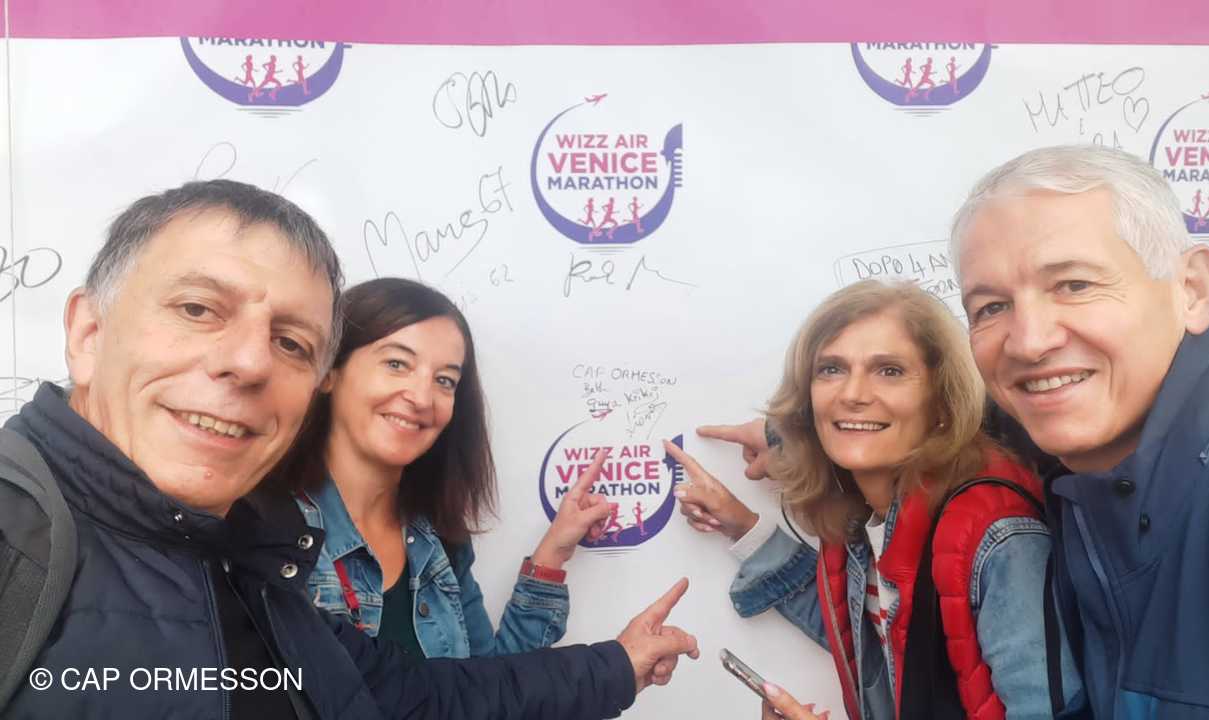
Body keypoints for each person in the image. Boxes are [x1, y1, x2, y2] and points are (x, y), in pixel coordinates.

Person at [0, 180, 698, 719]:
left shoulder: (258, 556)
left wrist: (587, 620)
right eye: (198, 309)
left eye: (289, 342)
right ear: (89, 333)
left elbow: (437, 694)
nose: (248, 362)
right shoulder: (26, 533)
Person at [952, 144, 1209, 718]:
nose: (1028, 342)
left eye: (1074, 285)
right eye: (992, 307)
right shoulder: (1068, 482)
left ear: (1192, 289)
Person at [668, 280, 1075, 719]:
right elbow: (869, 634)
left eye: (890, 371)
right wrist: (743, 527)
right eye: (831, 369)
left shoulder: (1000, 540)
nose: (853, 394)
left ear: (941, 402)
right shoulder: (865, 519)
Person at [275, 277, 613, 660]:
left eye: (444, 380)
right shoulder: (268, 532)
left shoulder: (439, 540)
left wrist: (553, 553)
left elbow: (486, 685)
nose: (422, 398)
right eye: (397, 364)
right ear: (329, 371)